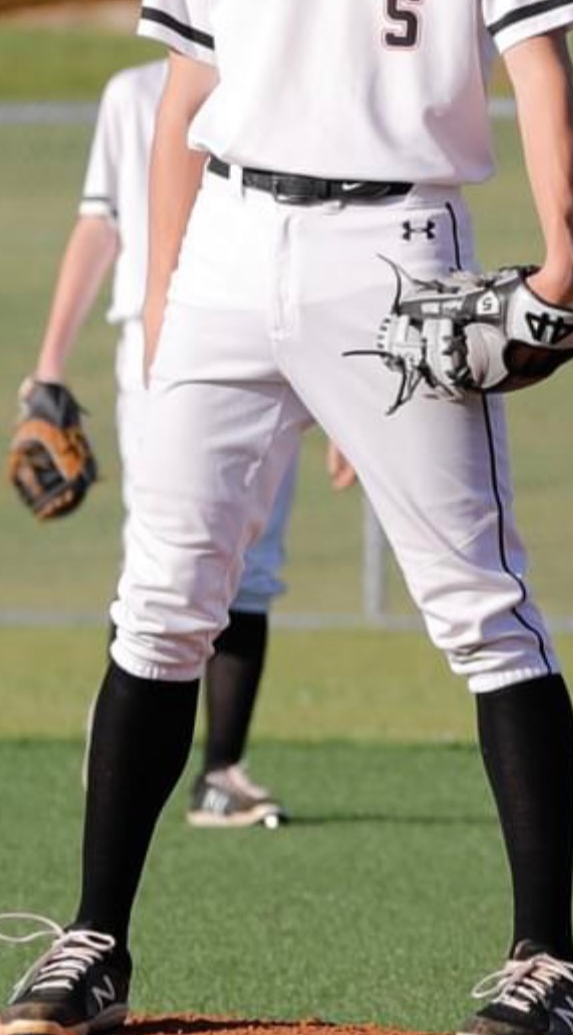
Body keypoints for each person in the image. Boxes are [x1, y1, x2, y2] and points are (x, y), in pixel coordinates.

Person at [0, 0, 573, 1035]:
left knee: (480, 604)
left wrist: (564, 256)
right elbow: (184, 94)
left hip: (397, 253)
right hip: (227, 246)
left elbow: (537, 60)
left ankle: (549, 961)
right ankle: (93, 940)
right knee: (161, 602)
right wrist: (166, 294)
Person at [23, 57, 353, 828]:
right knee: (163, 553)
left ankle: (220, 773)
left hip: (268, 338)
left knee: (252, 556)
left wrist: (347, 399)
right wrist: (48, 362)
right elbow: (101, 222)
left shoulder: (283, 72)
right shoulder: (133, 93)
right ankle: (123, 744)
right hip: (159, 340)